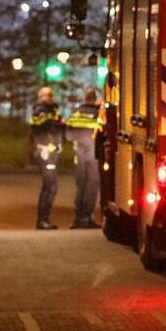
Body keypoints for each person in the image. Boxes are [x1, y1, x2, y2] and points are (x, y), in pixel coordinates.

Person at [65, 88, 103, 229]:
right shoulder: (98, 114)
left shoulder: (75, 113)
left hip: (79, 154)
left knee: (80, 186)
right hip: (93, 154)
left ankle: (77, 218)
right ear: (94, 99)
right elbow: (102, 131)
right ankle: (87, 217)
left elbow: (68, 136)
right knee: (92, 186)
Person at [30, 86, 64, 230]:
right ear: (41, 97)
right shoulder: (40, 111)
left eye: (51, 95)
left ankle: (44, 219)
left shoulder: (51, 111)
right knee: (50, 187)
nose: (49, 97)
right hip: (46, 153)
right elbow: (40, 126)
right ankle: (42, 220)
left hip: (51, 152)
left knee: (50, 187)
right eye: (46, 95)